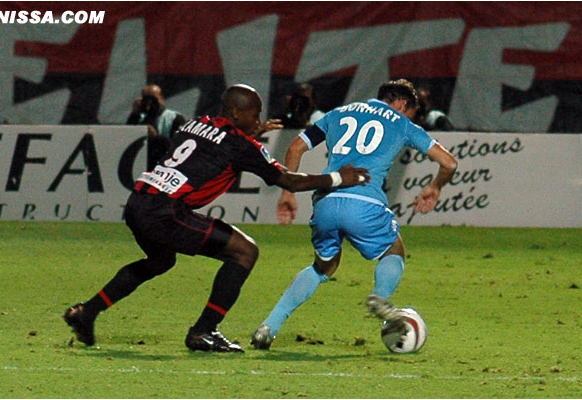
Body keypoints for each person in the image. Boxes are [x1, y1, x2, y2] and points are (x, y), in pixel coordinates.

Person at [64, 84, 370, 353]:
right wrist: (338, 178)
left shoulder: (195, 124)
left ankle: (87, 312)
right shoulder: (241, 145)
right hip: (165, 211)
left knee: (159, 262)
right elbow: (289, 181)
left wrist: (249, 133)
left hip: (139, 202)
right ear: (237, 114)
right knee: (245, 251)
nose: (259, 119)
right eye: (255, 113)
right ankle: (204, 331)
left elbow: (213, 144)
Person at [251, 79, 458, 350]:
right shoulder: (402, 122)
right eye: (410, 111)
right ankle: (380, 298)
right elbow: (450, 163)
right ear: (402, 104)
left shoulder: (337, 113)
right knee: (393, 251)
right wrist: (434, 186)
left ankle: (268, 326)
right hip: (364, 202)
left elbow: (294, 148)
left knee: (322, 267)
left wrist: (288, 193)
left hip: (326, 200)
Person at [126, 83, 187, 170]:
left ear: (161, 98)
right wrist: (134, 114)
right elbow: (126, 139)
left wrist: (156, 138)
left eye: (153, 99)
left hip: (165, 164)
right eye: (146, 99)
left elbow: (179, 146)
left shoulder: (175, 118)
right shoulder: (139, 118)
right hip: (140, 161)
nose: (150, 103)